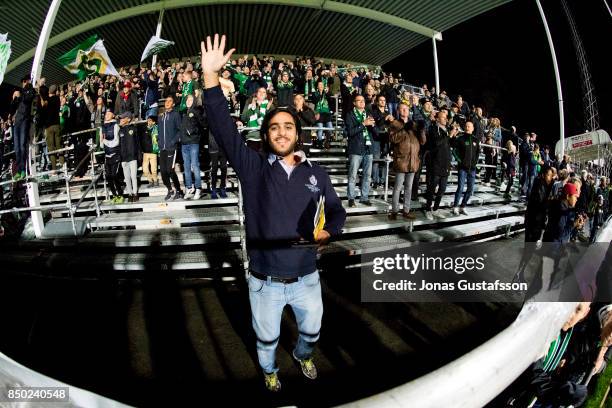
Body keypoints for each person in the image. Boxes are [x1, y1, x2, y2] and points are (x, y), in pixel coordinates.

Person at [201, 34, 346, 392]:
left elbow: (336, 212)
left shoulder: (316, 172)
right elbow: (222, 126)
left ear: (297, 133)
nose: (281, 132)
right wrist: (209, 79)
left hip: (308, 279)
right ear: (266, 134)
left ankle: (302, 354)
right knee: (265, 341)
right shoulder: (253, 167)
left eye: (288, 126)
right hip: (265, 283)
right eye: (274, 127)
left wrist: (331, 232)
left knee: (312, 331)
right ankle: (269, 370)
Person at [388, 104, 424, 220]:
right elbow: (393, 139)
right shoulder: (395, 124)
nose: (405, 110)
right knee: (398, 187)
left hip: (413, 161)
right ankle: (394, 211)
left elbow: (423, 142)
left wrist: (421, 130)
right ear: (398, 111)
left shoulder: (414, 124)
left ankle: (406, 211)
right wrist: (404, 130)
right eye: (402, 109)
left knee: (409, 187)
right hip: (401, 160)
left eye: (406, 109)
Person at [424, 110, 458, 220]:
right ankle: (428, 209)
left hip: (446, 164)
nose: (445, 119)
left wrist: (453, 136)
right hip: (436, 163)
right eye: (443, 117)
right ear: (437, 119)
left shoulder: (447, 130)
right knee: (432, 188)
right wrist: (449, 135)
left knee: (442, 189)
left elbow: (452, 145)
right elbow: (437, 143)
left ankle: (436, 208)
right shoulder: (433, 129)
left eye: (446, 117)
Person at [345, 94, 375, 207]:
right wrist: (363, 124)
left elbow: (374, 131)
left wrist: (373, 126)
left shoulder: (368, 114)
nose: (362, 102)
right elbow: (350, 132)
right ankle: (351, 198)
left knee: (367, 175)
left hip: (368, 148)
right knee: (353, 175)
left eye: (363, 101)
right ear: (354, 103)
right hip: (356, 148)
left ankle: (364, 197)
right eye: (359, 101)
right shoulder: (350, 115)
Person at [451, 120, 480, 215]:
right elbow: (454, 151)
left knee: (470, 189)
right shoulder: (460, 139)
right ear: (464, 127)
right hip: (462, 168)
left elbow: (477, 153)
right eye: (466, 126)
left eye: (469, 126)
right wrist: (460, 161)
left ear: (472, 128)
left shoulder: (476, 140)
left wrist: (475, 163)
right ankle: (455, 206)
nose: (467, 127)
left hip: (472, 169)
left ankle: (462, 206)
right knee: (460, 188)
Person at [181, 94, 206, 199]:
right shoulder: (183, 113)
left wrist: (193, 131)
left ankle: (198, 188)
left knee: (195, 165)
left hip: (193, 142)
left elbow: (203, 124)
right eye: (187, 99)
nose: (188, 101)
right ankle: (189, 187)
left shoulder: (196, 111)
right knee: (186, 167)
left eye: (191, 99)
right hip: (184, 143)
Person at [158, 97, 184, 200]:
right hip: (162, 148)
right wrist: (159, 141)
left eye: (170, 101)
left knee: (170, 170)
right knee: (163, 172)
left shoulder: (175, 115)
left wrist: (173, 141)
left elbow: (180, 130)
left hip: (171, 147)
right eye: (166, 101)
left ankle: (179, 191)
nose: (167, 103)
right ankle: (170, 189)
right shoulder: (161, 116)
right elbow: (160, 131)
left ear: (173, 104)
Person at [12, 76, 36, 180]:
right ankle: (18, 170)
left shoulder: (31, 90)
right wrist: (14, 99)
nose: (23, 83)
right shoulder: (21, 93)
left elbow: (27, 99)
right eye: (23, 82)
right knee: (16, 147)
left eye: (24, 81)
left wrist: (20, 95)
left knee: (22, 145)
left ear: (28, 81)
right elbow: (13, 107)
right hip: (17, 121)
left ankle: (22, 170)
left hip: (24, 120)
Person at [100, 111, 124, 204]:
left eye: (109, 114)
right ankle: (114, 195)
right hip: (107, 156)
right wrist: (104, 141)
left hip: (115, 154)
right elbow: (101, 145)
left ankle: (120, 194)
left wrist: (105, 140)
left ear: (113, 115)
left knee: (114, 175)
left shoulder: (115, 125)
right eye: (106, 114)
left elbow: (116, 142)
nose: (106, 115)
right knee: (108, 177)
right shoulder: (102, 127)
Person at [241, 87, 273, 151]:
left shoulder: (270, 105)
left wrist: (267, 109)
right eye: (259, 91)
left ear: (266, 95)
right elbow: (244, 118)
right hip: (252, 136)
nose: (261, 93)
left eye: (264, 92)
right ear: (256, 94)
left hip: (265, 136)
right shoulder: (249, 103)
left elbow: (272, 120)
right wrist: (253, 107)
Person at [118, 112, 140, 203]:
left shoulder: (133, 129)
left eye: (123, 118)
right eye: (121, 118)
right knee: (127, 177)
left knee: (133, 176)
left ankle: (135, 193)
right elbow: (118, 145)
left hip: (133, 156)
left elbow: (137, 143)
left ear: (128, 119)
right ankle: (130, 193)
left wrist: (139, 155)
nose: (121, 120)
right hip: (124, 157)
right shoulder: (120, 131)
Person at [41, 84, 63, 170]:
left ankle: (54, 169)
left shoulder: (47, 100)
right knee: (59, 146)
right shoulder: (57, 99)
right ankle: (62, 164)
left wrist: (40, 93)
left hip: (49, 126)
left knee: (51, 148)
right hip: (57, 125)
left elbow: (43, 104)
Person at [312, 81, 334, 149]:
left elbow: (331, 100)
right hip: (318, 113)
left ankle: (327, 141)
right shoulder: (315, 93)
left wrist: (327, 93)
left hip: (327, 113)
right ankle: (320, 142)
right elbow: (315, 101)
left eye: (322, 85)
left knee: (330, 128)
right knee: (320, 128)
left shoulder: (327, 93)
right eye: (320, 85)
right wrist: (320, 94)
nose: (321, 86)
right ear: (317, 87)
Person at [141, 114, 159, 188]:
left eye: (150, 120)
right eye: (148, 120)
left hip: (153, 152)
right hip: (145, 152)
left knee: (153, 169)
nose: (148, 122)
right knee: (145, 169)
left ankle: (154, 181)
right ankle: (150, 180)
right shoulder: (143, 129)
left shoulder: (157, 129)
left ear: (154, 122)